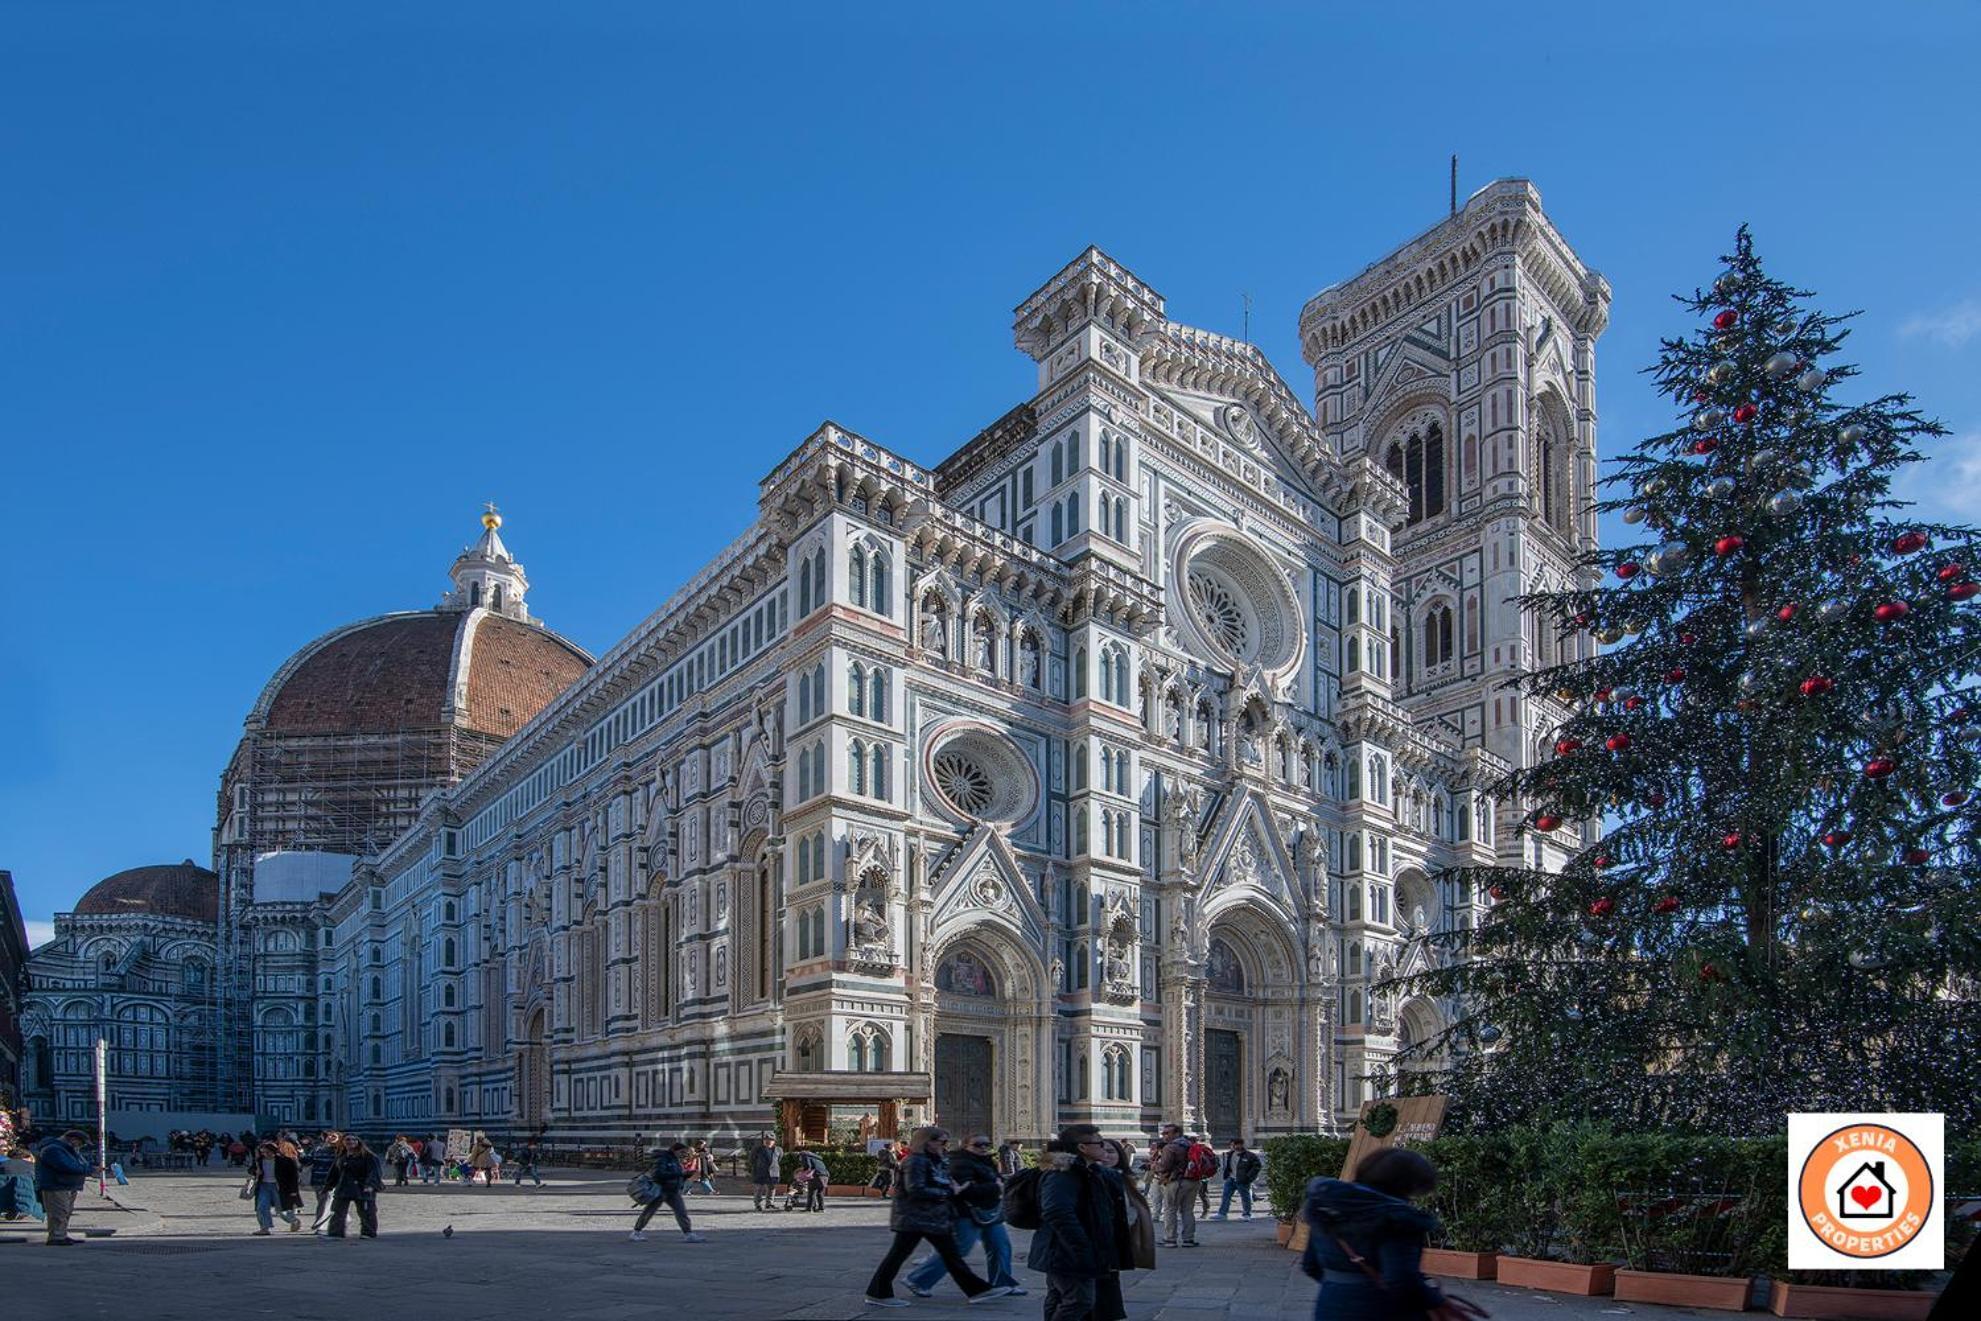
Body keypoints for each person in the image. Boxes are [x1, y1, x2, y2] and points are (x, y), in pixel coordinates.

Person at [1303, 1147, 1487, 1321]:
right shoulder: (1398, 1218)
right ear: (1407, 1185)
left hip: (1329, 1307)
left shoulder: (1327, 1207)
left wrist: (1342, 1288)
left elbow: (1310, 1265)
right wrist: (1436, 1300)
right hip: (1381, 1311)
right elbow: (1401, 1280)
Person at [862, 1126, 1012, 1308]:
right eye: (941, 1142)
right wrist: (948, 1191)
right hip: (915, 1218)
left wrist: (951, 1187)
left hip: (932, 1218)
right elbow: (916, 1189)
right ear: (927, 1142)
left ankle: (978, 1290)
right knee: (901, 1256)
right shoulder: (916, 1161)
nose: (944, 1145)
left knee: (951, 1256)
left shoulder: (935, 1160)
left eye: (946, 1142)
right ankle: (878, 1293)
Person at [1028, 1125, 1133, 1321]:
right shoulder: (1064, 1172)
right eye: (1100, 1143)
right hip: (1066, 1250)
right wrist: (1081, 1245)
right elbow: (1056, 1210)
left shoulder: (1088, 1171)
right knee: (1079, 1300)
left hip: (1067, 1249)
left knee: (1060, 1296)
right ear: (1083, 1148)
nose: (1104, 1148)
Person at [903, 1133, 1022, 1298]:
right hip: (967, 1213)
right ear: (965, 1146)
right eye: (978, 1144)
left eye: (986, 1144)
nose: (983, 1147)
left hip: (989, 1212)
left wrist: (997, 1184)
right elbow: (964, 1190)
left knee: (1000, 1246)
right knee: (960, 1249)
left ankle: (1003, 1283)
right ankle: (918, 1279)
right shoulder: (960, 1162)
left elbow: (994, 1180)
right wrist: (995, 1187)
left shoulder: (986, 1160)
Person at [1099, 1137, 1158, 1307]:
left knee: (1109, 1286)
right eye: (1102, 1151)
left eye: (1111, 1151)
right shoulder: (1091, 1178)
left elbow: (1131, 1210)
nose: (1105, 1156)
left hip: (1115, 1241)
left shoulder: (1123, 1178)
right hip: (1099, 1242)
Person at [629, 1142, 706, 1243]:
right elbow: (658, 1174)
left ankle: (688, 1233)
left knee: (681, 1212)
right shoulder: (663, 1159)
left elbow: (676, 1174)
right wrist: (680, 1174)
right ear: (675, 1150)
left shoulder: (674, 1159)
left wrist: (685, 1175)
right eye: (682, 1152)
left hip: (672, 1190)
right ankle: (636, 1232)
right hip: (661, 1190)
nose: (683, 1154)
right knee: (649, 1211)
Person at [33, 1130, 95, 1246]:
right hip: (56, 1185)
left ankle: (62, 1234)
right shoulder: (53, 1149)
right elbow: (66, 1166)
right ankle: (56, 1236)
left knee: (65, 1211)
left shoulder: (67, 1149)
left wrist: (87, 1167)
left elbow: (76, 1164)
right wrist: (88, 1170)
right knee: (58, 1212)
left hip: (66, 1185)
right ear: (73, 1139)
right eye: (81, 1143)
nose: (81, 1146)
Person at [322, 1134, 384, 1239]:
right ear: (343, 1142)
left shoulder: (369, 1156)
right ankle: (336, 1232)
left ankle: (368, 1232)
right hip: (343, 1187)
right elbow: (334, 1173)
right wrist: (328, 1186)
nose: (350, 1142)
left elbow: (374, 1172)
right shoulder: (342, 1156)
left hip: (362, 1187)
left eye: (353, 1139)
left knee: (366, 1211)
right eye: (347, 1140)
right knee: (337, 1211)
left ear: (358, 1141)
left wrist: (370, 1185)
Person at [1151, 1123, 1200, 1248]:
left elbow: (1164, 1167)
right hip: (1193, 1181)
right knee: (1188, 1210)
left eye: (1167, 1133)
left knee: (1170, 1209)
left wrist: (1154, 1166)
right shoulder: (1190, 1144)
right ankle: (1188, 1239)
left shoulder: (1170, 1147)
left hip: (1177, 1182)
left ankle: (1170, 1239)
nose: (1164, 1135)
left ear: (1177, 1133)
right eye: (1163, 1133)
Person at [246, 1139, 303, 1235]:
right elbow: (251, 1170)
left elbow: (293, 1176)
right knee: (261, 1207)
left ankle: (294, 1220)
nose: (265, 1154)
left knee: (281, 1210)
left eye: (267, 1152)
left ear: (274, 1151)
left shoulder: (285, 1161)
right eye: (263, 1152)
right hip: (264, 1186)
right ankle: (265, 1228)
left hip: (279, 1187)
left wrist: (293, 1190)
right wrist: (256, 1172)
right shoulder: (259, 1161)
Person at [1214, 1138, 1263, 1221]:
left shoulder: (1250, 1156)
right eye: (1232, 1145)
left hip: (1243, 1180)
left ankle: (1247, 1214)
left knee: (1245, 1197)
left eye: (1234, 1145)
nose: (1232, 1147)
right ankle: (1222, 1213)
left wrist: (1249, 1177)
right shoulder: (1230, 1154)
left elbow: (1257, 1166)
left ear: (1240, 1145)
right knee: (1226, 1196)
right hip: (1231, 1179)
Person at [307, 1131, 341, 1232]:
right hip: (317, 1180)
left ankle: (320, 1225)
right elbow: (307, 1161)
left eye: (334, 1136)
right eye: (329, 1136)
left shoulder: (339, 1151)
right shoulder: (318, 1150)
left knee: (324, 1202)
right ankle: (344, 1218)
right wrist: (299, 1153)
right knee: (324, 1202)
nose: (330, 1137)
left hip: (330, 1182)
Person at [749, 1133, 783, 1212]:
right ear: (763, 1141)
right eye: (766, 1140)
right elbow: (751, 1160)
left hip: (773, 1172)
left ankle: (769, 1204)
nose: (768, 1141)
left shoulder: (779, 1150)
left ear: (774, 1141)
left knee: (772, 1188)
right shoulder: (757, 1149)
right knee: (759, 1189)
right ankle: (758, 1204)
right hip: (760, 1172)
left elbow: (779, 1159)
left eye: (770, 1140)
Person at [794, 1145, 830, 1212]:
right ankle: (821, 1208)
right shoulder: (816, 1157)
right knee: (820, 1192)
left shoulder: (804, 1155)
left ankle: (809, 1208)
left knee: (811, 1192)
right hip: (825, 1176)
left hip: (816, 1175)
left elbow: (808, 1166)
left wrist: (801, 1171)